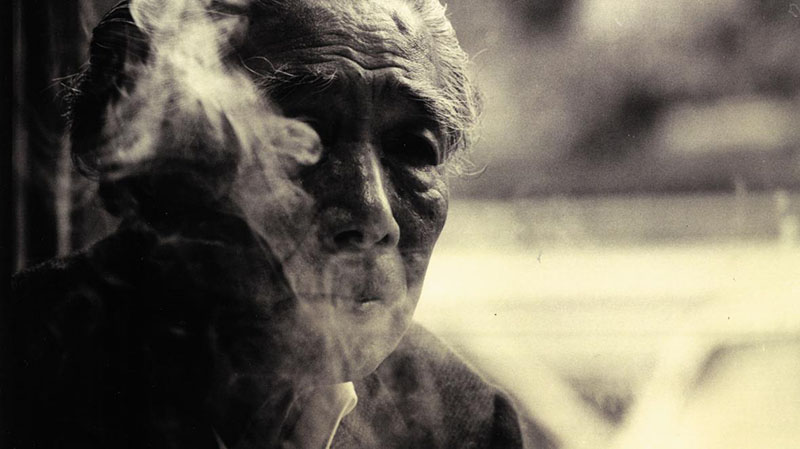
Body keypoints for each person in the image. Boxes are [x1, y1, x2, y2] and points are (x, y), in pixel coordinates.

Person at [8, 0, 525, 448]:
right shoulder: (23, 373)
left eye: (412, 147)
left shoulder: (467, 420)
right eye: (296, 140)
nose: (373, 215)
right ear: (145, 174)